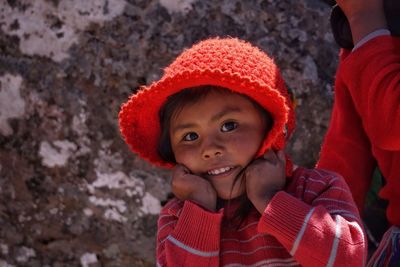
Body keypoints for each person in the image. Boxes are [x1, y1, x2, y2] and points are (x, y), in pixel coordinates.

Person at [119, 37, 366, 266]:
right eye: (190, 136)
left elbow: (347, 259)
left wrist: (269, 200)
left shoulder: (315, 189)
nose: (210, 149)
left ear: (271, 129)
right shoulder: (178, 218)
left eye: (229, 126)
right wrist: (199, 211)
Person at [317, 0, 400, 265]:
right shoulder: (367, 30)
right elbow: (344, 161)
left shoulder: (367, 21)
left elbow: (393, 126)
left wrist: (365, 17)